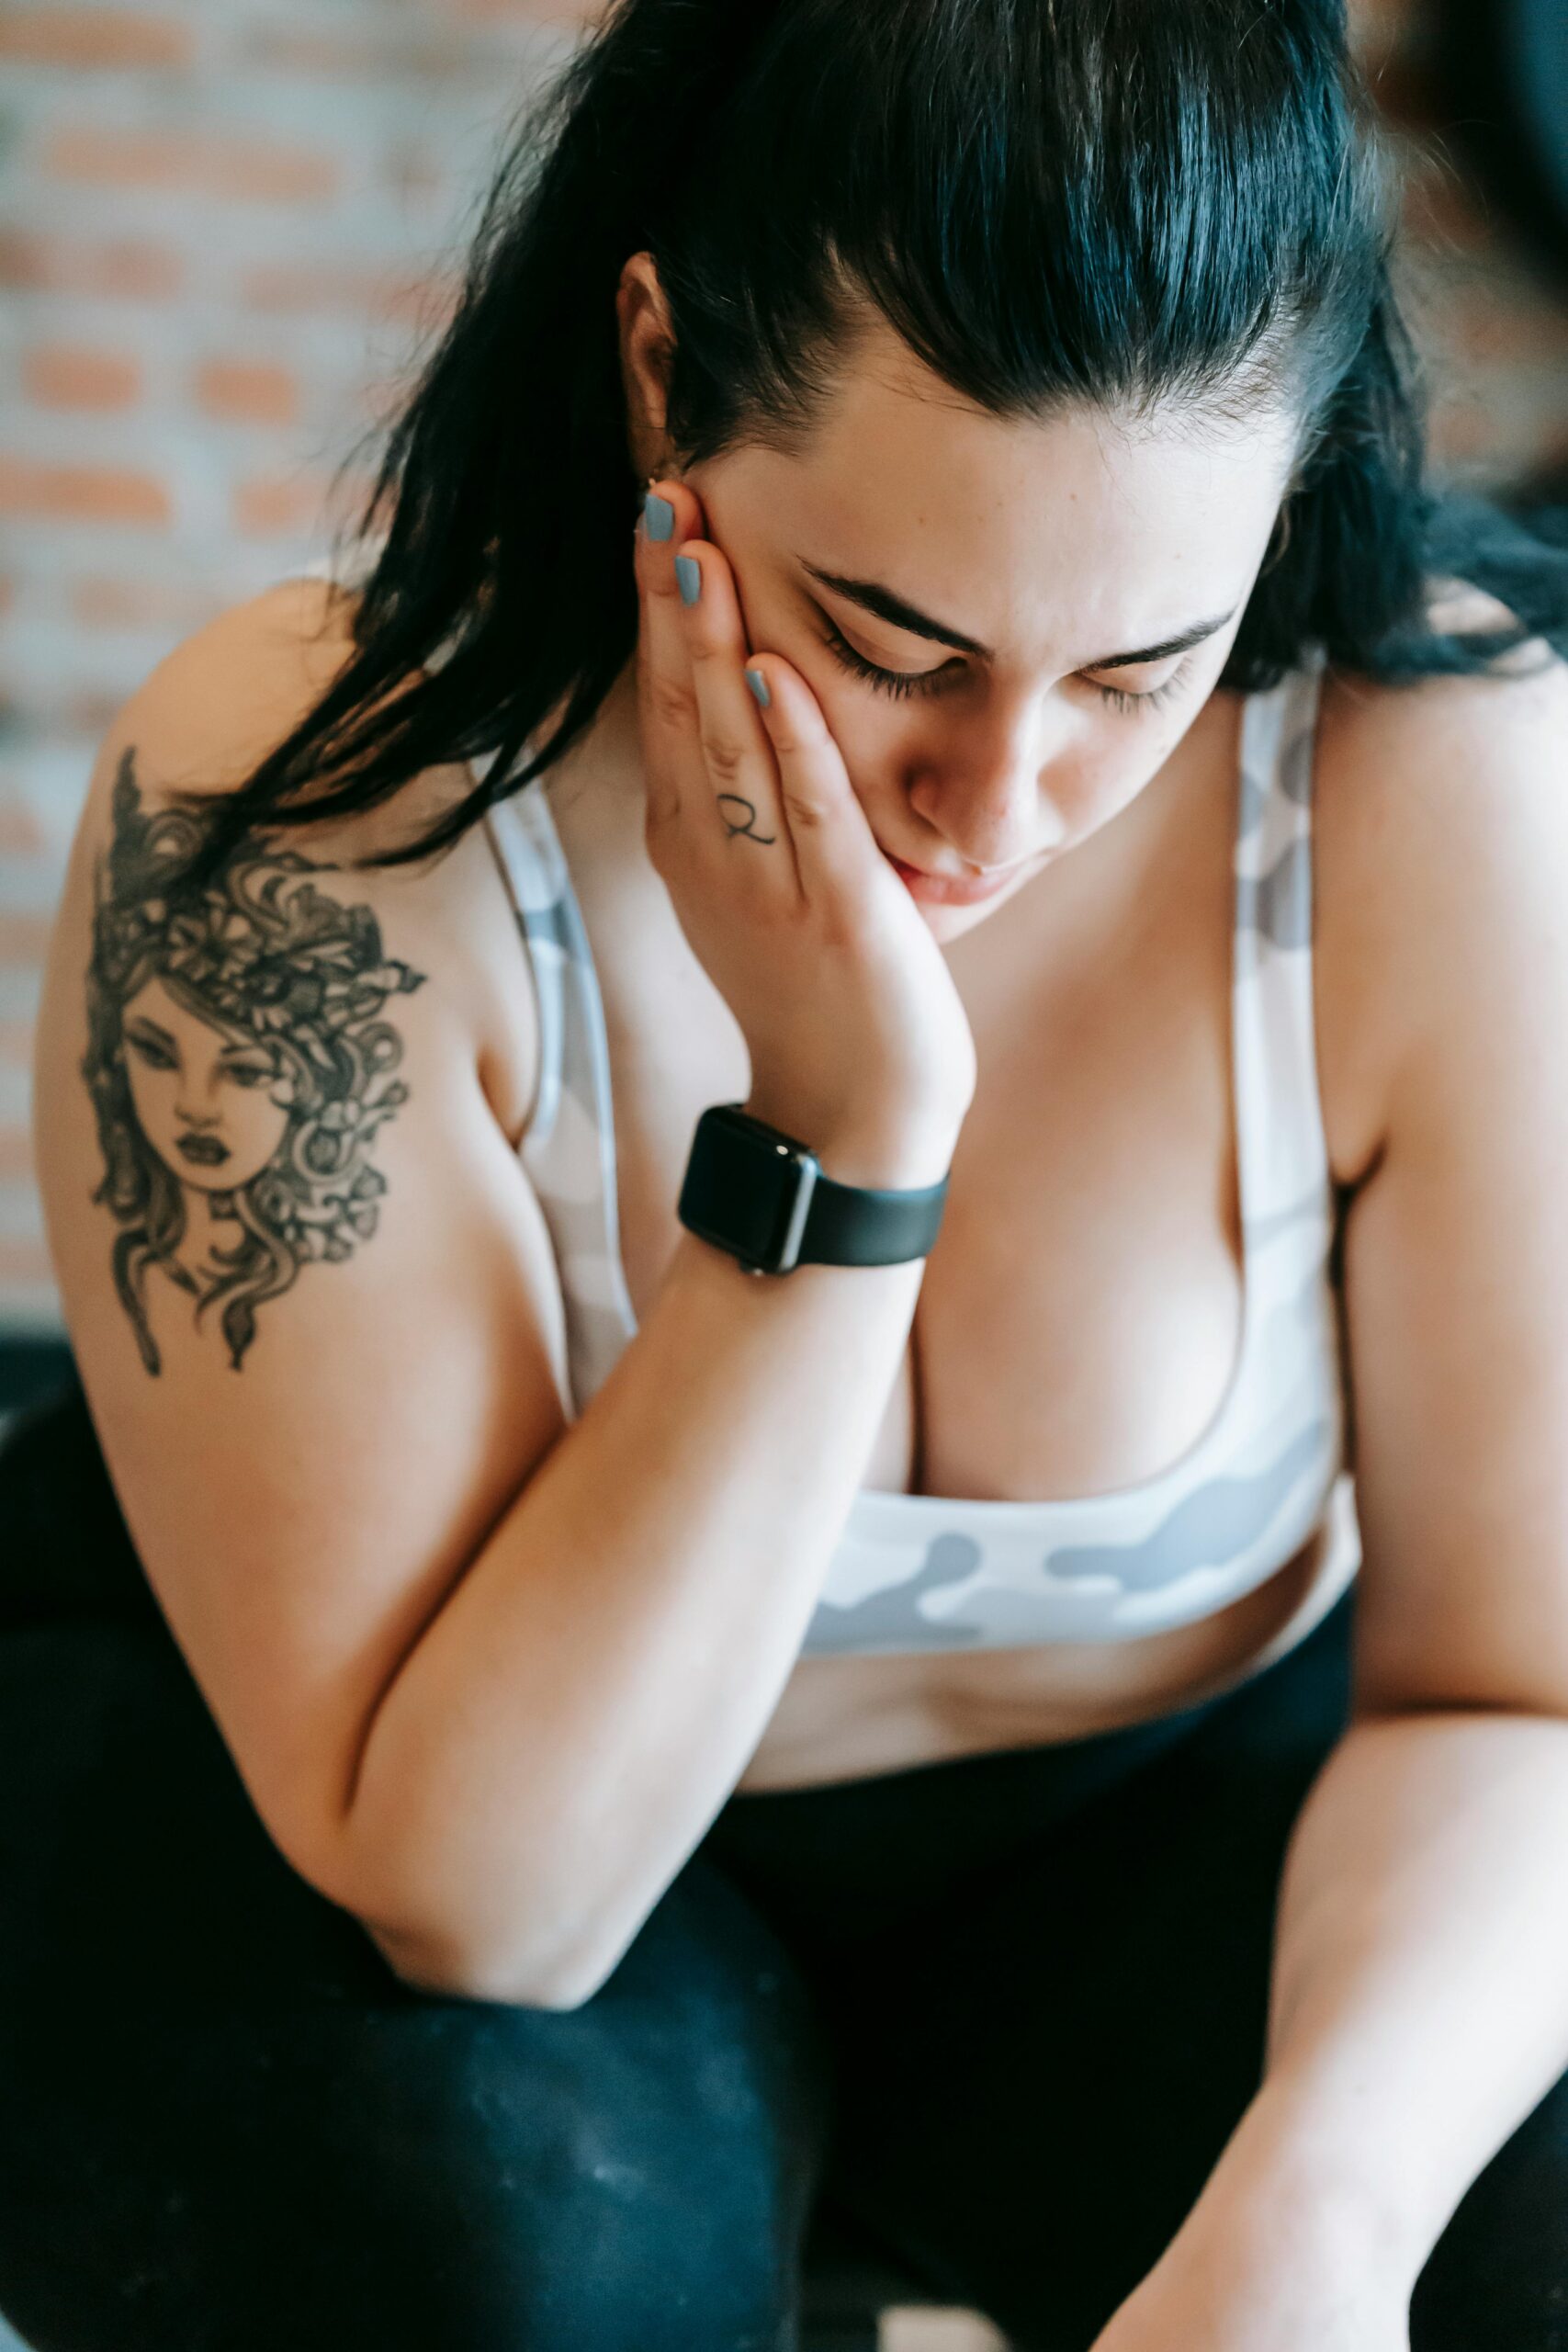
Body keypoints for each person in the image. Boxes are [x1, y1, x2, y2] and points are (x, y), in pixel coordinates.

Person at [4, 0, 1568, 2345]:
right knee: (480, 2237)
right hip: (449, 1859)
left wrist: (1315, 2226)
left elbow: (1513, 1694)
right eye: (886, 639)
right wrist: (839, 1146)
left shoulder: (1436, 765)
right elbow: (481, 1904)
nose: (1000, 798)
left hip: (1128, 1830)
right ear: (659, 374)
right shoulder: (314, 809)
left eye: (1138, 667)